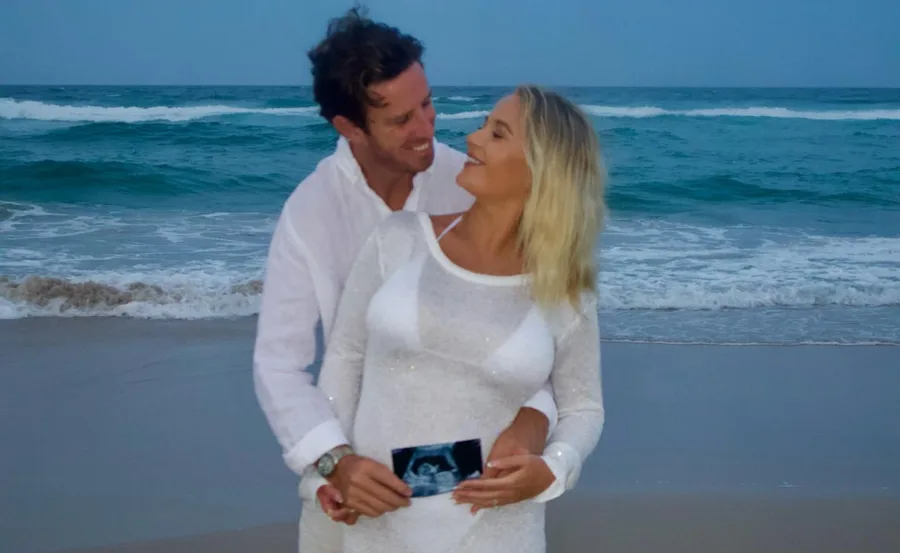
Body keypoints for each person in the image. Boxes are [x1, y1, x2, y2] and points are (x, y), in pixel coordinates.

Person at [252, 8, 559, 552]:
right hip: (355, 486)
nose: (426, 130)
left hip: (473, 483)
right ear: (348, 127)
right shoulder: (311, 212)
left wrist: (536, 427)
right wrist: (333, 463)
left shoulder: (471, 184)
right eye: (401, 120)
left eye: (427, 104)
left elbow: (538, 340)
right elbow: (279, 363)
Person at [307, 85, 606, 552]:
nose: (472, 138)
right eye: (484, 126)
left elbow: (582, 407)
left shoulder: (565, 291)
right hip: (375, 525)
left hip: (496, 533)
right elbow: (345, 358)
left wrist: (553, 470)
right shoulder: (399, 239)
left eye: (497, 133)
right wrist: (332, 466)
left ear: (541, 170)